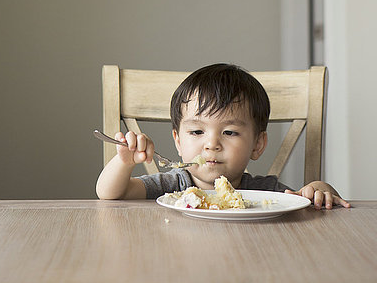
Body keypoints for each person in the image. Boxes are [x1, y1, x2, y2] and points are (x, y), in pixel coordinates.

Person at [96, 63, 350, 209]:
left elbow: (305, 201)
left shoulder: (264, 193)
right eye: (197, 131)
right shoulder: (173, 186)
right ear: (177, 141)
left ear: (257, 144)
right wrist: (124, 162)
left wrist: (319, 189)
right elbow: (111, 194)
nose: (212, 144)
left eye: (229, 132)